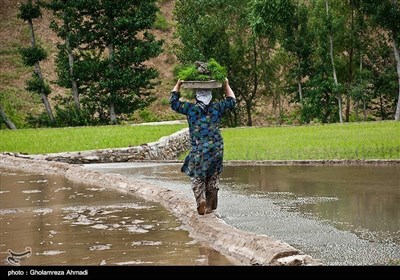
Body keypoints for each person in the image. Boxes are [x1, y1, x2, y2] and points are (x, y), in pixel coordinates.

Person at [170, 78, 236, 215]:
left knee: (197, 177)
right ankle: (210, 207)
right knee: (213, 177)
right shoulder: (217, 108)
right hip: (216, 149)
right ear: (210, 96)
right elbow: (232, 100)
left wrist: (178, 84)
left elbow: (173, 103)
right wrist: (226, 85)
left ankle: (201, 200)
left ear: (196, 96)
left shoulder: (190, 109)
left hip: (199, 150)